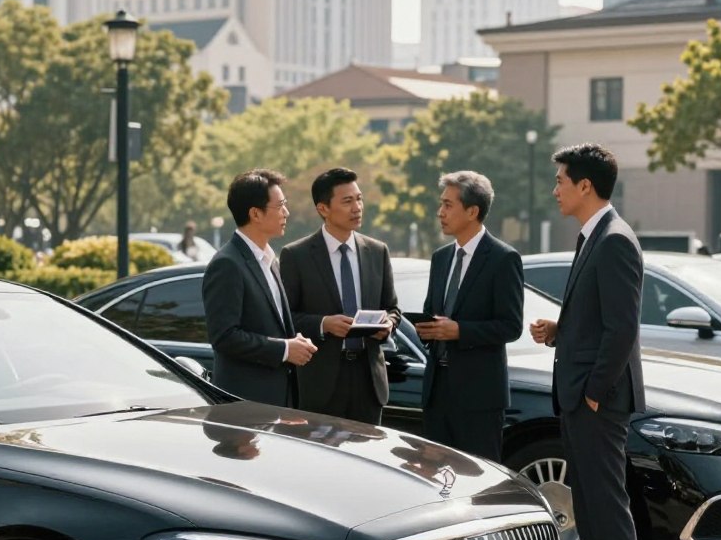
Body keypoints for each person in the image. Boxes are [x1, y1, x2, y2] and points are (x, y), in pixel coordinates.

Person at [529, 143, 645, 540]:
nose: (554, 189)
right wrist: (562, 330)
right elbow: (598, 318)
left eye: (560, 180)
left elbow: (622, 329)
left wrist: (595, 392)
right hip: (579, 398)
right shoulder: (593, 236)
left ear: (584, 186)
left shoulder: (615, 239)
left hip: (596, 403)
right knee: (592, 522)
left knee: (608, 518)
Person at [415, 170, 523, 462]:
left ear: (473, 211)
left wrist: (460, 331)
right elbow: (432, 313)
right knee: (436, 482)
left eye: (448, 205)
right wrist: (425, 329)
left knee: (476, 483)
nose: (440, 212)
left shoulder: (503, 258)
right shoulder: (440, 258)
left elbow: (511, 326)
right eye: (441, 204)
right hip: (437, 392)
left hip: (479, 398)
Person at [279, 167, 401, 424]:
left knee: (369, 460)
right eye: (347, 201)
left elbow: (392, 308)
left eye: (359, 199)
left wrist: (388, 325)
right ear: (323, 208)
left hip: (369, 381)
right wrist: (324, 324)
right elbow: (285, 318)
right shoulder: (296, 255)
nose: (357, 207)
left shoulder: (377, 251)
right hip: (320, 382)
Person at [202, 169, 316, 406]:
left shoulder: (269, 260)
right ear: (255, 213)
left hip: (277, 399)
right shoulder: (227, 263)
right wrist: (284, 349)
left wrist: (294, 341)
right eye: (280, 205)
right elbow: (224, 337)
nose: (287, 212)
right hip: (246, 404)